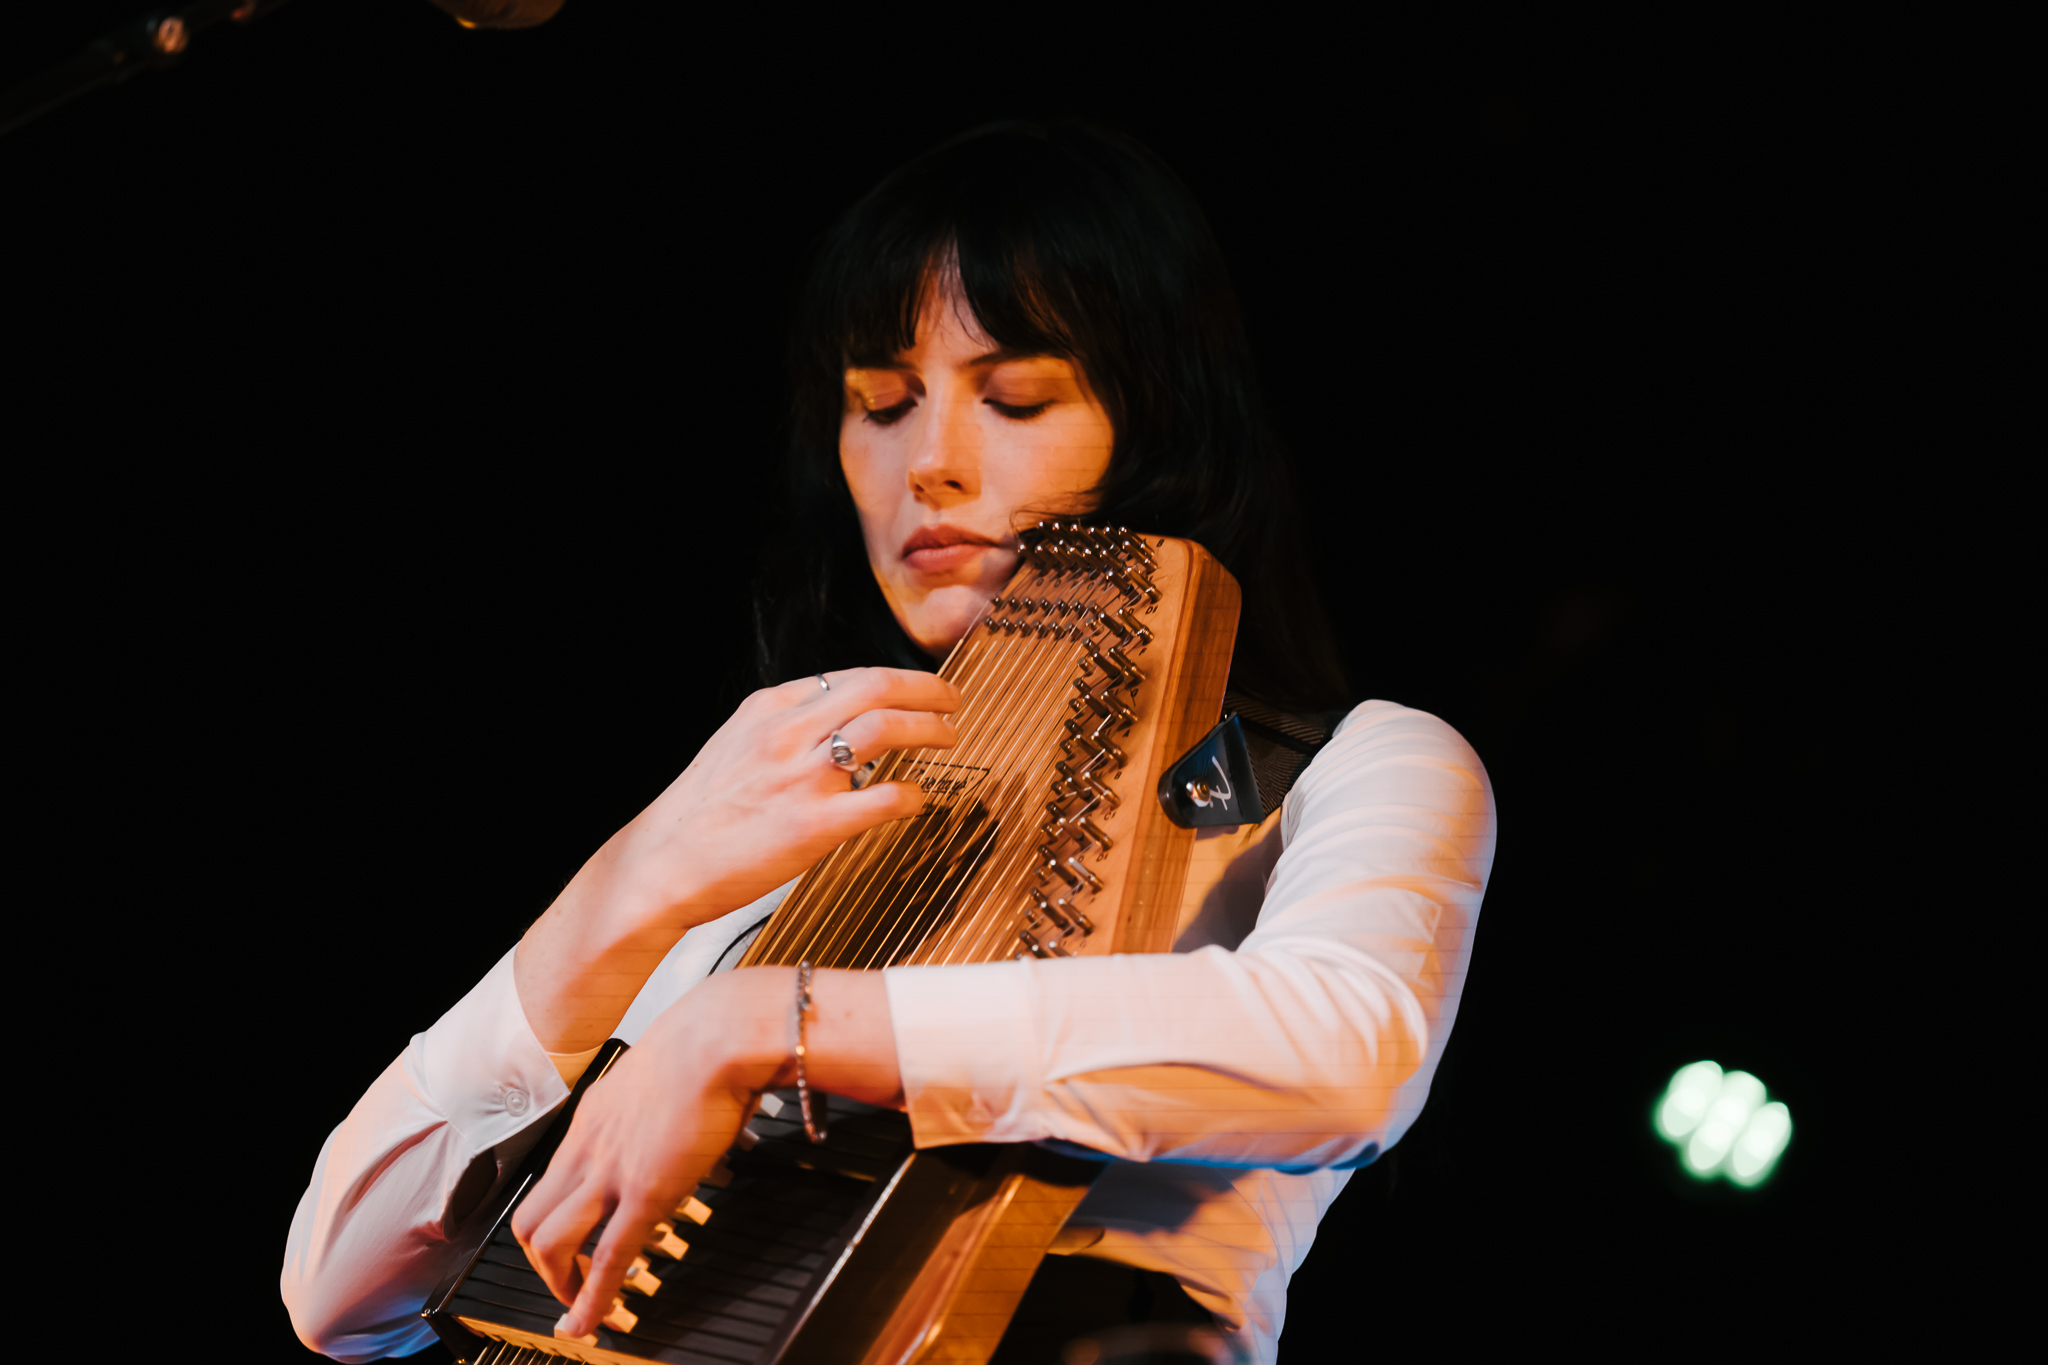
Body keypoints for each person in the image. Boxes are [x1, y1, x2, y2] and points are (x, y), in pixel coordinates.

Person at [282, 120, 1496, 1365]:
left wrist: (772, 1021)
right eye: (879, 403)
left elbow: (1351, 1050)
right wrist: (626, 888)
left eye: (1016, 398)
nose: (930, 465)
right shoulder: (791, 786)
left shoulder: (1358, 762)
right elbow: (341, 1295)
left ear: (1162, 418)